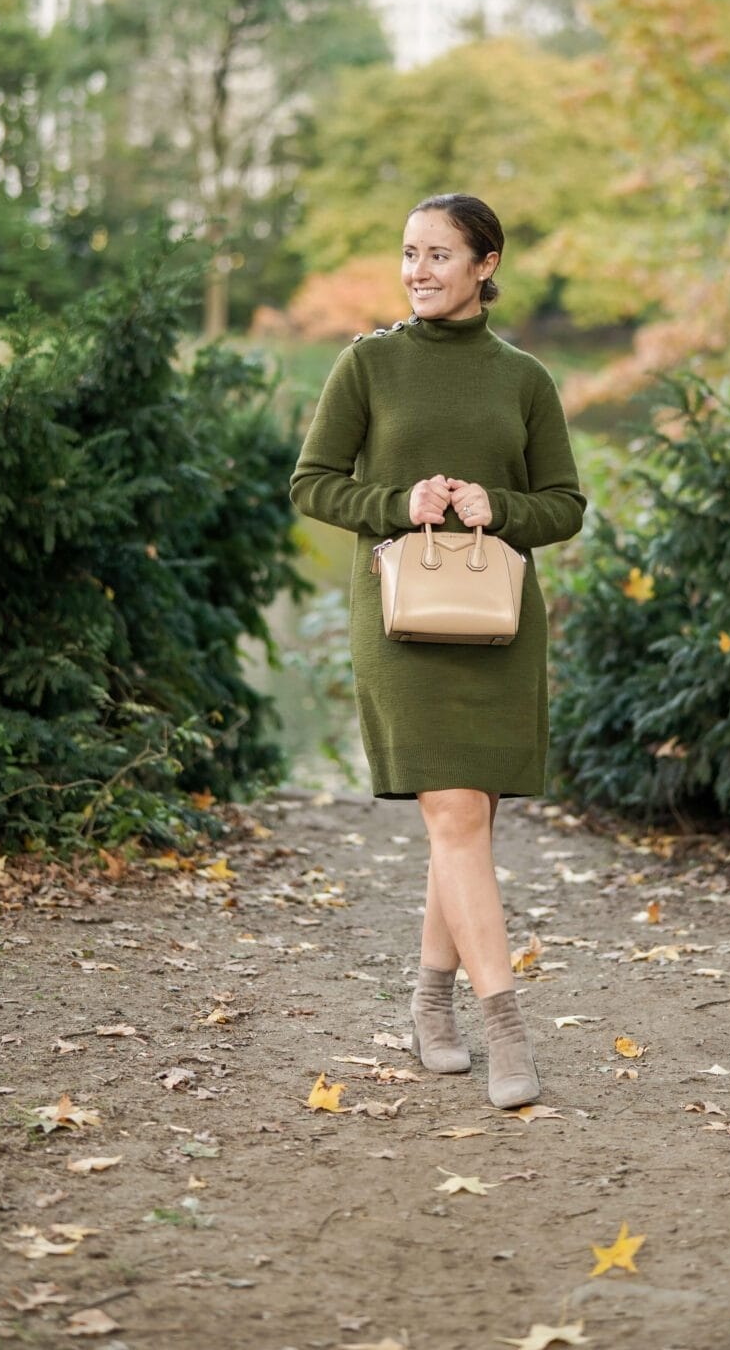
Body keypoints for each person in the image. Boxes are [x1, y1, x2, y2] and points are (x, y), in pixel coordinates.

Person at [289, 192, 587, 1108]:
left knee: (466, 822)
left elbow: (565, 507)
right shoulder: (368, 364)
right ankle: (506, 1030)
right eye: (409, 254)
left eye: (439, 255)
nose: (418, 271)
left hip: (497, 621)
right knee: (455, 814)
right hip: (400, 619)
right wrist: (396, 503)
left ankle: (428, 1003)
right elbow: (313, 484)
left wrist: (501, 507)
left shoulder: (524, 379)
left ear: (485, 264)